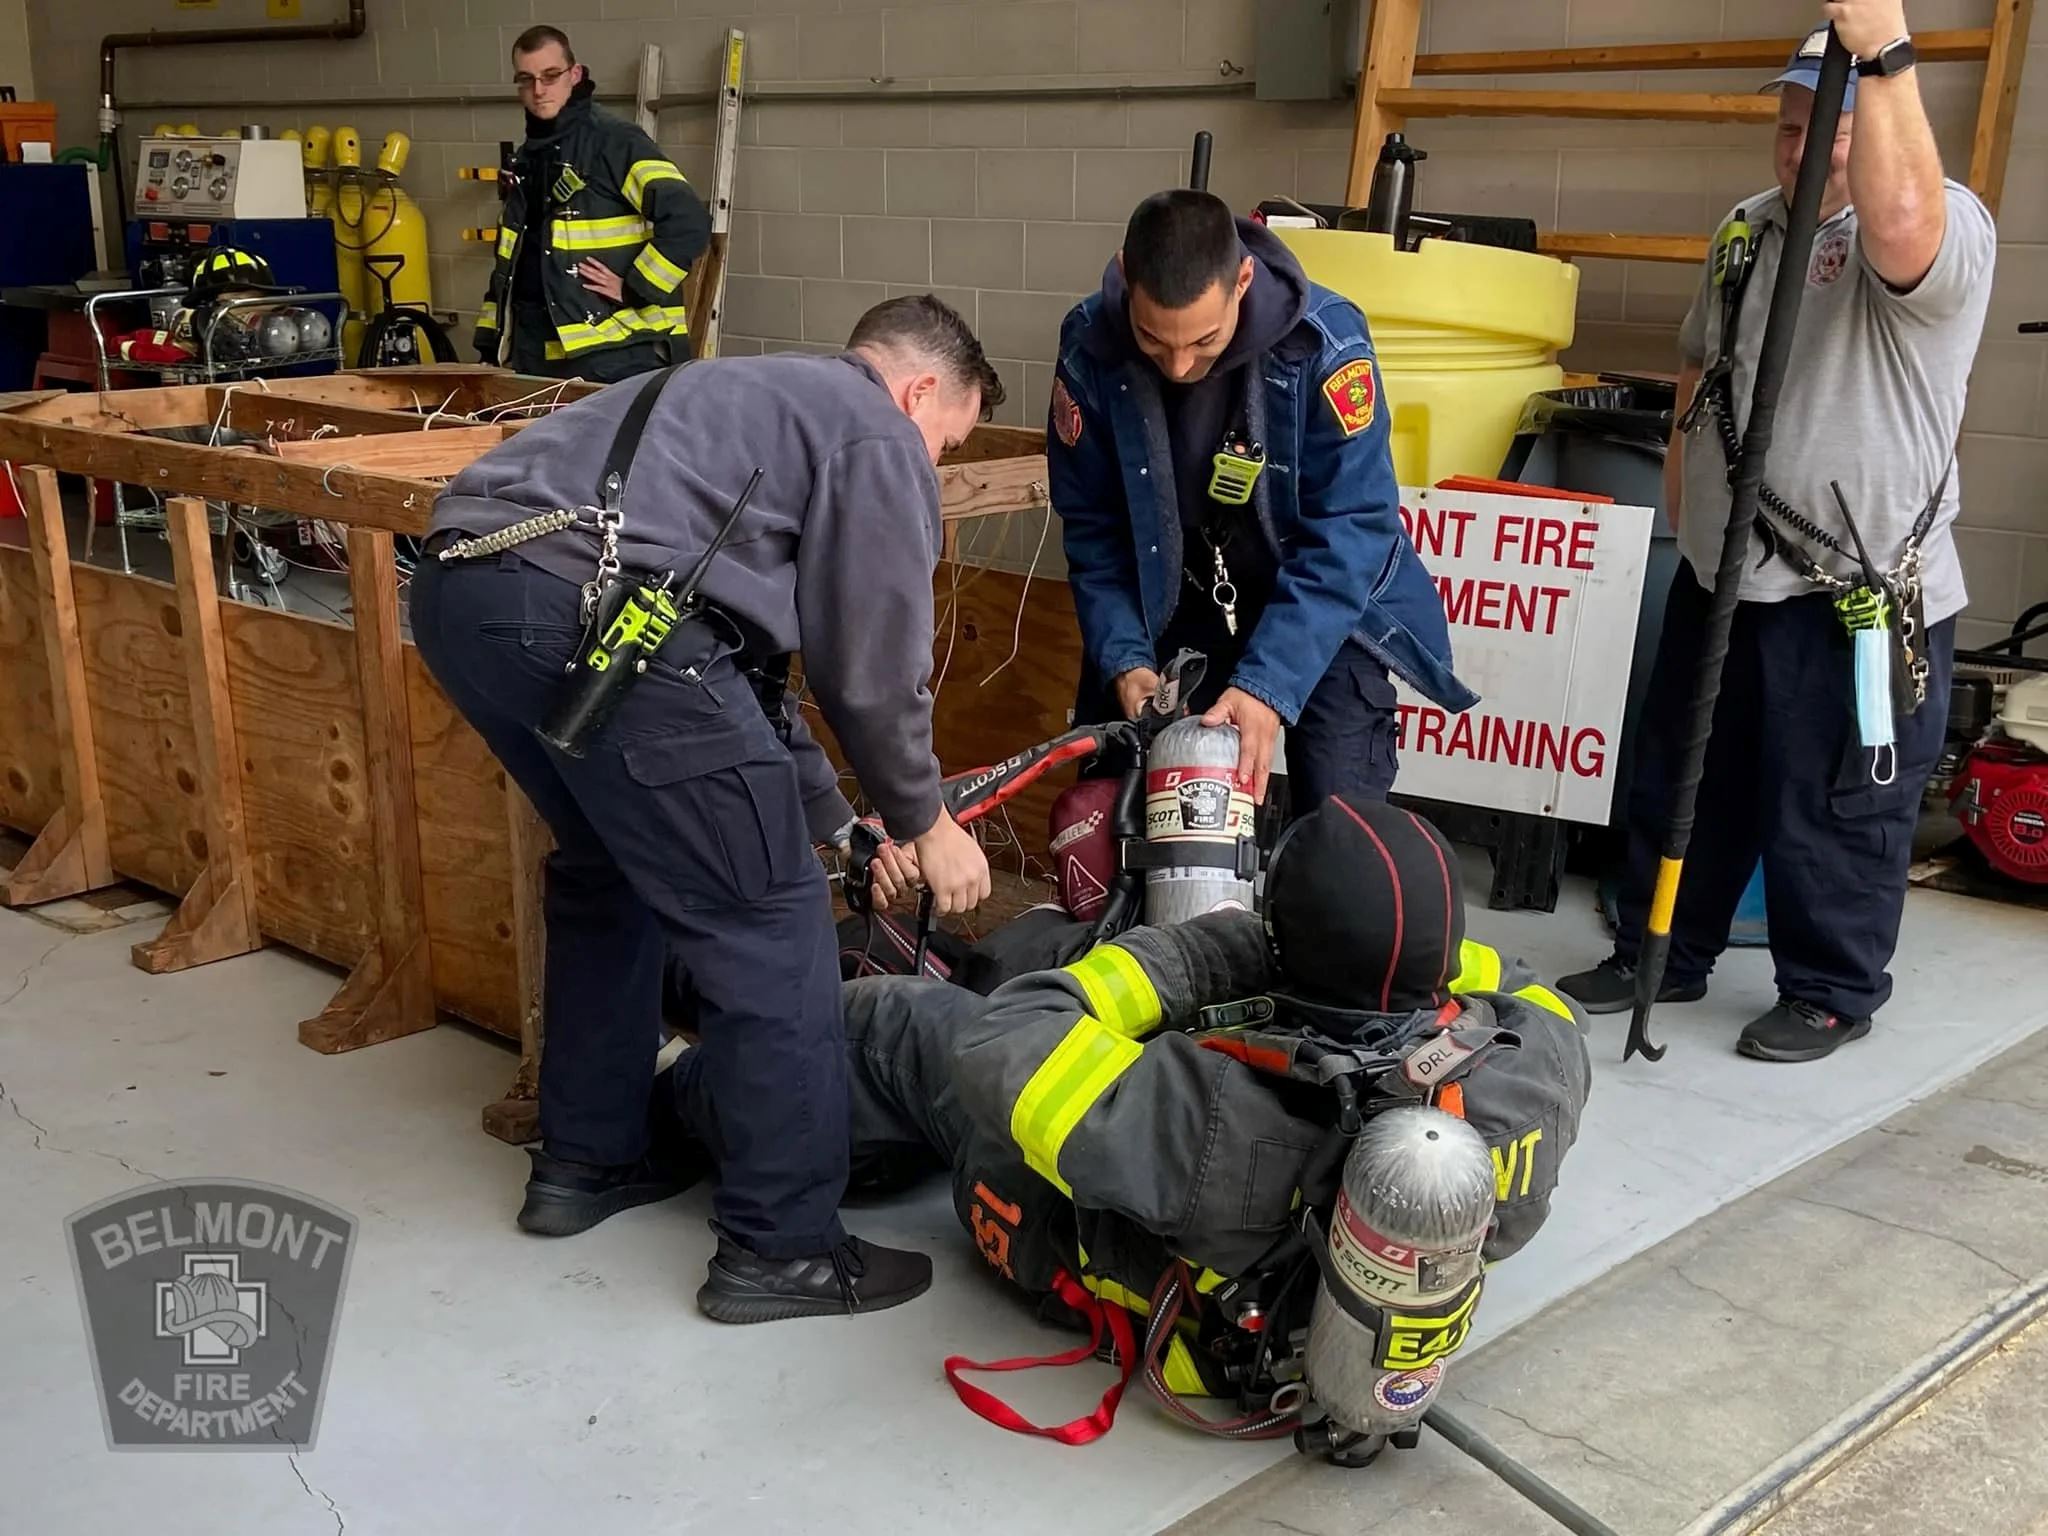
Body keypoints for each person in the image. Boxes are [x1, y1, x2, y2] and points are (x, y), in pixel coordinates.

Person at [410, 295, 1000, 1323]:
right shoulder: (871, 429)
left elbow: (741, 672)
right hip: (599, 619)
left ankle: (588, 1161)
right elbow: (869, 667)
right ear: (919, 392)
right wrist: (924, 820)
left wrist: (836, 822)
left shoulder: (741, 396)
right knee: (769, 926)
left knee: (607, 869)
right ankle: (783, 1249)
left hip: (470, 597)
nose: (930, 469)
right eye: (944, 445)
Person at [655, 795, 1590, 1438]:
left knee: (901, 1019)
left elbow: (1002, 1043)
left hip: (1055, 1208)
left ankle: (668, 1097)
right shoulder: (1525, 1081)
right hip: (1258, 1234)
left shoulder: (1213, 1120)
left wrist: (1212, 957)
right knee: (1041, 946)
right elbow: (1530, 995)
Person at [1559, 6, 1997, 1063]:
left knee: (1833, 803)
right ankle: (1660, 943)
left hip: (1847, 589)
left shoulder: (1935, 227)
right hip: (1725, 575)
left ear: (1880, 132)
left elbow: (1895, 222)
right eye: (1790, 127)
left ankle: (1830, 987)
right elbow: (1696, 366)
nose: (1802, 149)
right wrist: (1684, 509)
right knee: (1683, 777)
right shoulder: (1745, 228)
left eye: (1831, 130)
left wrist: (1884, 49)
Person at [1047, 189, 1475, 812]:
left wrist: (1269, 685)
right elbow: (1093, 529)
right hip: (1169, 603)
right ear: (1124, 274)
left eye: (1203, 340)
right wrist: (1125, 658)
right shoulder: (1088, 346)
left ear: (1242, 279)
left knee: (1340, 829)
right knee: (1111, 812)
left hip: (1316, 609)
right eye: (1153, 339)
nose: (1178, 366)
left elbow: (1353, 529)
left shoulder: (1326, 345)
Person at [474, 24, 712, 383]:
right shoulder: (529, 158)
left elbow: (688, 221)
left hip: (617, 356)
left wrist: (635, 287)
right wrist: (489, 345)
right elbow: (513, 261)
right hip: (538, 356)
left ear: (575, 74)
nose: (539, 90)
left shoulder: (615, 143)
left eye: (550, 76)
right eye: (526, 79)